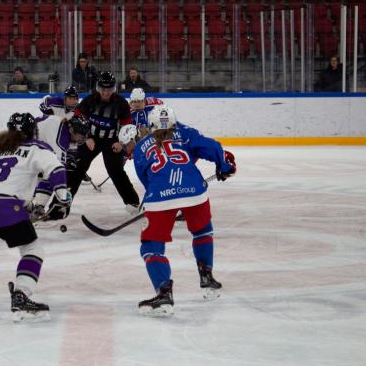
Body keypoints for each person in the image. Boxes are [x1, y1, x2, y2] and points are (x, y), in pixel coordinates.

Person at [0, 112, 72, 322]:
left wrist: (29, 206)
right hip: (4, 205)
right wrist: (63, 198)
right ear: (31, 131)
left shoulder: (1, 151)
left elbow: (4, 184)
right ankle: (21, 295)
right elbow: (56, 169)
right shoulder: (38, 148)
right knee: (32, 250)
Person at [132, 105, 236, 316]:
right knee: (202, 231)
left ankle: (164, 294)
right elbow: (213, 147)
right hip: (195, 192)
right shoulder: (185, 132)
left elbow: (145, 178)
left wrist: (158, 196)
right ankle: (207, 278)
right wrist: (224, 166)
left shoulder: (141, 146)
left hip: (160, 197)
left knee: (151, 247)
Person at [63, 71, 141, 215]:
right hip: (91, 138)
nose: (105, 92)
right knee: (77, 167)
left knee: (116, 170)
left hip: (112, 140)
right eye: (103, 89)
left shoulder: (121, 104)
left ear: (114, 88)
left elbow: (127, 127)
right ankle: (63, 202)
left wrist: (121, 142)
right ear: (98, 88)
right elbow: (77, 120)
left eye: (109, 89)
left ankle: (133, 202)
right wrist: (86, 138)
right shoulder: (89, 100)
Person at [32, 114, 91, 220]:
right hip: (23, 146)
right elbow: (56, 172)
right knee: (47, 173)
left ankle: (36, 205)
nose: (83, 138)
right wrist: (63, 195)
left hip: (31, 145)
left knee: (44, 172)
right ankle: (32, 205)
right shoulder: (59, 141)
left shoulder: (63, 126)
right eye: (82, 135)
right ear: (72, 130)